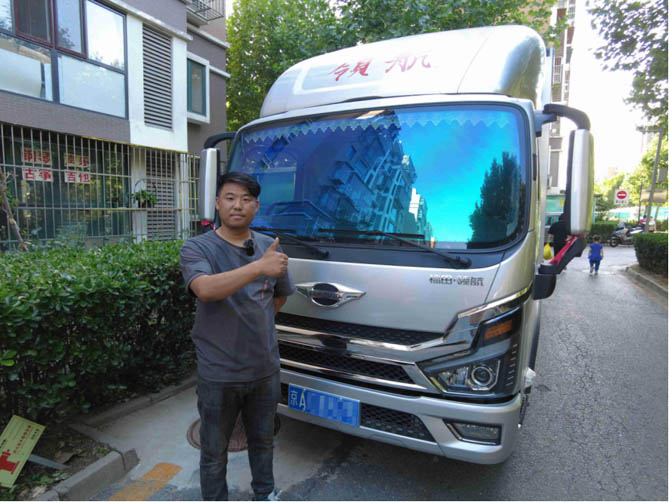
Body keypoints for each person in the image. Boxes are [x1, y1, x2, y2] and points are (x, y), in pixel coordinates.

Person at [180, 172, 295, 501]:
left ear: (256, 206)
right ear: (217, 203)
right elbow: (204, 289)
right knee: (214, 452)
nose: (237, 205)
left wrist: (254, 320)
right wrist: (258, 267)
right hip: (219, 372)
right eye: (230, 198)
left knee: (263, 442)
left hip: (264, 369)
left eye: (246, 199)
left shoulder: (268, 246)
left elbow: (279, 297)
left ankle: (265, 493)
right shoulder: (197, 247)